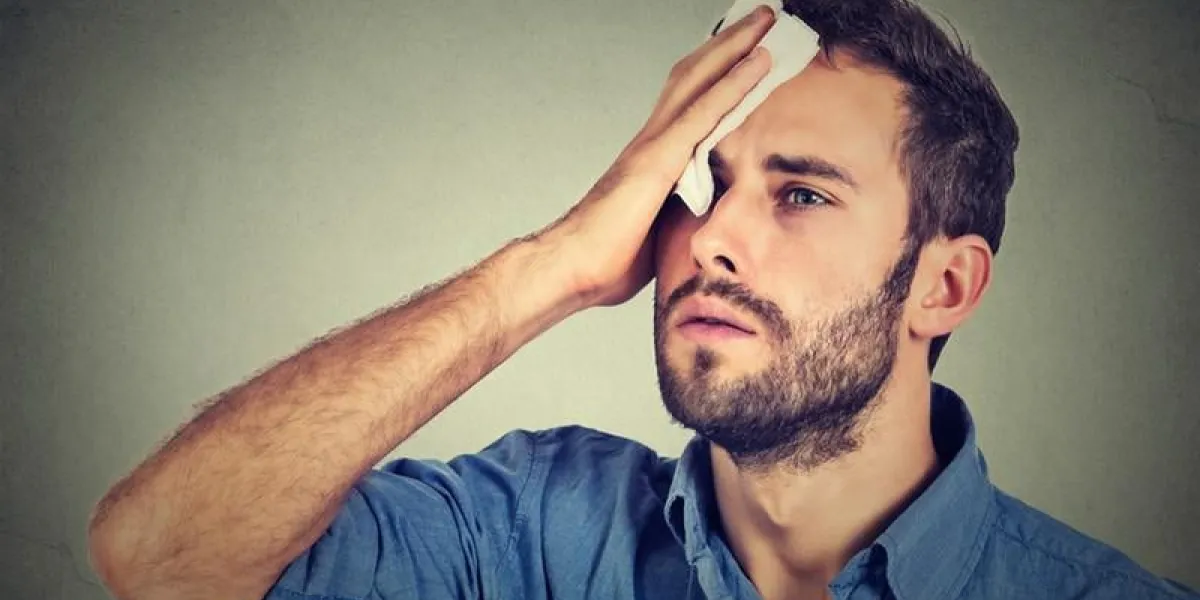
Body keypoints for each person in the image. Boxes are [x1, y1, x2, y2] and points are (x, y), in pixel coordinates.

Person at [86, 1, 1197, 599]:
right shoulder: (525, 533)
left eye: (800, 193)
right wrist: (557, 261)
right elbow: (162, 558)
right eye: (702, 186)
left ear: (943, 285)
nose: (708, 238)